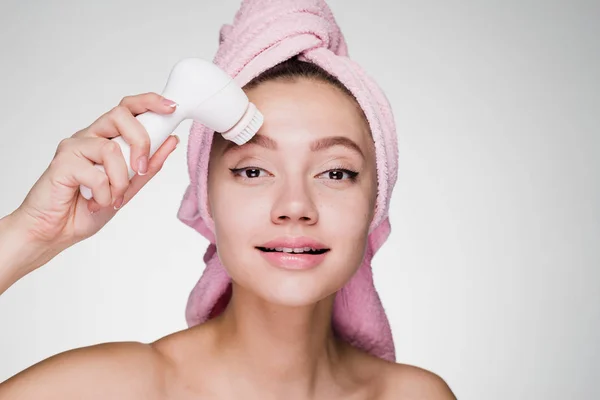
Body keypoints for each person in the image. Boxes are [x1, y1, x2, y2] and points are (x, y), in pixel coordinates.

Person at [0, 3, 456, 400]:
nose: (295, 206)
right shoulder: (108, 391)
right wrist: (30, 235)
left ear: (376, 202)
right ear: (207, 199)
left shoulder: (416, 396)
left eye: (335, 172)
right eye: (253, 170)